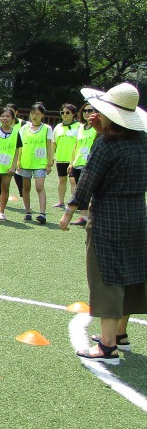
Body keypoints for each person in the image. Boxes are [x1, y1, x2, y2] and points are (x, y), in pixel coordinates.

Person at [60, 83, 147, 365]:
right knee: (131, 273)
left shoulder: (106, 144)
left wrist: (69, 211)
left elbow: (88, 180)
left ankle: (107, 347)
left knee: (106, 276)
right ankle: (120, 334)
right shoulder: (142, 141)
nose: (94, 116)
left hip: (109, 216)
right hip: (138, 213)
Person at [16, 102, 54, 224]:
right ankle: (28, 212)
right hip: (25, 162)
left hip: (40, 163)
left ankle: (42, 214)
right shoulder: (24, 128)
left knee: (39, 187)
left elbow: (49, 147)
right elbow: (20, 146)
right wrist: (18, 161)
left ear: (42, 115)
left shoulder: (47, 128)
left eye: (37, 114)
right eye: (32, 113)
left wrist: (49, 163)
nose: (34, 116)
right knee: (25, 188)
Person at [67, 103, 97, 227]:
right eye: (84, 110)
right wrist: (71, 163)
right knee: (80, 191)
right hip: (78, 163)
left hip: (90, 164)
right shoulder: (80, 128)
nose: (87, 113)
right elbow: (75, 146)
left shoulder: (97, 128)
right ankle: (84, 217)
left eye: (90, 110)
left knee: (91, 192)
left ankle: (93, 217)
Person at [52, 103, 80, 209]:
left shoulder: (79, 127)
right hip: (60, 158)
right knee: (62, 180)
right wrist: (51, 157)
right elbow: (53, 143)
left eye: (67, 112)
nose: (64, 114)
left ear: (73, 114)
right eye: (62, 112)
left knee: (73, 181)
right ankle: (61, 202)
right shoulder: (58, 127)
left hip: (74, 159)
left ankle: (75, 203)